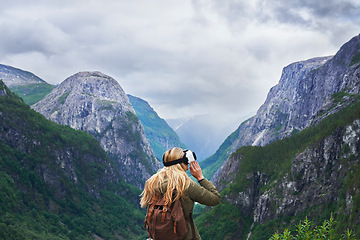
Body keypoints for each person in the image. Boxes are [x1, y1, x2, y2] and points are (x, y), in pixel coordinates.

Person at [140, 147, 221, 240]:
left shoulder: (152, 183)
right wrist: (200, 178)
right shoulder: (185, 185)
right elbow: (215, 199)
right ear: (183, 162)